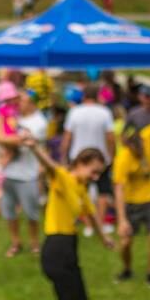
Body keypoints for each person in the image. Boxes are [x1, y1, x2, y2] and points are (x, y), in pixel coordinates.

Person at [26, 140, 113, 300]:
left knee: (81, 298)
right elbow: (50, 166)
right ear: (81, 163)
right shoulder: (63, 177)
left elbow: (91, 216)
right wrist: (35, 148)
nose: (96, 176)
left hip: (69, 247)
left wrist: (104, 239)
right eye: (93, 171)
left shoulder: (81, 187)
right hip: (56, 248)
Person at [0, 91, 48, 257]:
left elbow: (18, 141)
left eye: (22, 100)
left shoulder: (39, 122)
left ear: (32, 102)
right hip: (8, 173)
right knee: (9, 212)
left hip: (28, 175)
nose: (18, 103)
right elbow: (2, 132)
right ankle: (15, 243)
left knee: (31, 213)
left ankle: (34, 243)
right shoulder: (14, 115)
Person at [114, 115, 150, 288]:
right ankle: (127, 269)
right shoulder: (123, 158)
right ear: (126, 143)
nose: (138, 147)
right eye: (133, 144)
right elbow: (119, 189)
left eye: (138, 142)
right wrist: (121, 219)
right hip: (131, 204)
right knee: (126, 242)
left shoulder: (147, 136)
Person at [61, 84, 115, 235]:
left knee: (79, 191)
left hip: (79, 158)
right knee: (103, 192)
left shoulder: (74, 112)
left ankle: (88, 225)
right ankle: (100, 223)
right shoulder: (105, 112)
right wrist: (112, 156)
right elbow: (111, 138)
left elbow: (67, 137)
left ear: (84, 96)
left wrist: (63, 156)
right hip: (100, 158)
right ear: (98, 96)